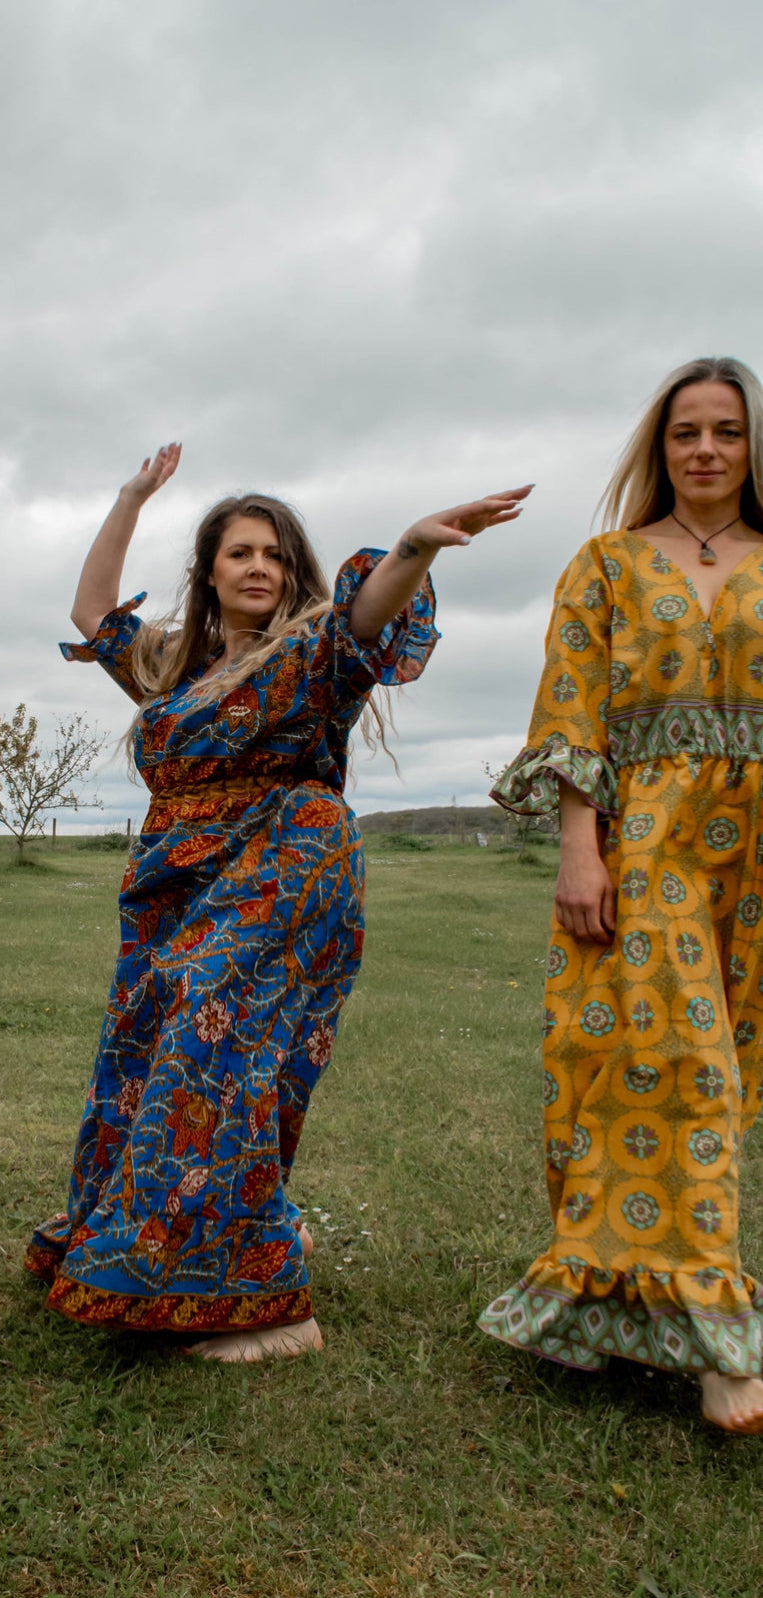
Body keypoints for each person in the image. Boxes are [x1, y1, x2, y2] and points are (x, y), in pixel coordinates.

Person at [27, 444, 530, 1360]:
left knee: (210, 1039)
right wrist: (132, 496)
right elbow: (91, 612)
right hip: (175, 880)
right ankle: (163, 1249)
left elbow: (371, 607)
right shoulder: (173, 669)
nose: (257, 567)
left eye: (273, 554)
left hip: (286, 860)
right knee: (143, 1053)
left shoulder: (319, 649)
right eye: (238, 554)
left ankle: (268, 1307)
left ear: (293, 571)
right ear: (209, 573)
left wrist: (415, 546)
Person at [479, 356, 763, 1434]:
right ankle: (718, 1348)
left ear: (750, 448)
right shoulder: (604, 564)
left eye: (726, 432)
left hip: (757, 862)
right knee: (677, 1067)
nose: (704, 449)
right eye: (686, 431)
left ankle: (593, 1307)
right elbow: (570, 709)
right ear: (660, 448)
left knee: (702, 1085)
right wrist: (578, 847)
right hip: (646, 845)